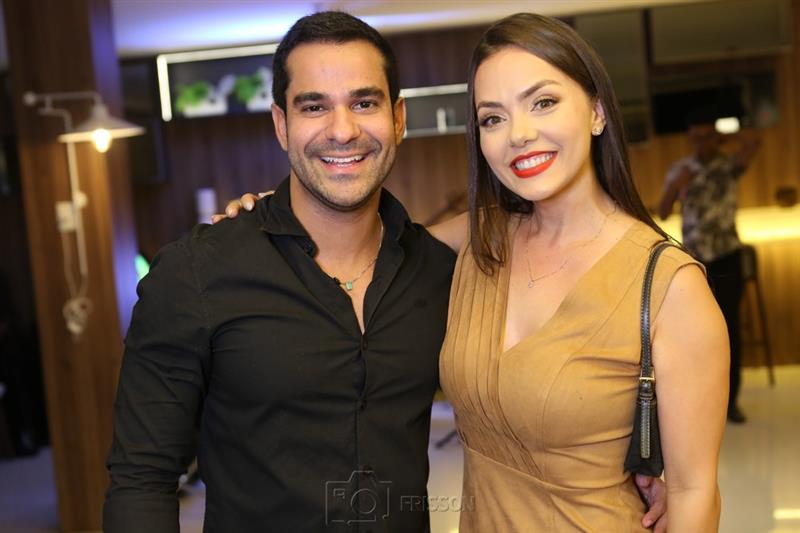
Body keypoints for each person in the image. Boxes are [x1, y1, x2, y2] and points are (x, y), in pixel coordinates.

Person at [149, 11, 668, 533]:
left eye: (364, 103)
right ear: (282, 125)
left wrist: (634, 472)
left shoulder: (445, 264)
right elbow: (142, 475)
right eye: (315, 106)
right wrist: (261, 221)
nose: (342, 130)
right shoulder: (203, 272)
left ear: (398, 119)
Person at [658, 111, 761, 424]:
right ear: (689, 139)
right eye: (695, 138)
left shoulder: (728, 165)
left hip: (728, 256)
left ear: (715, 137)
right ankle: (701, 401)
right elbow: (663, 212)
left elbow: (754, 141)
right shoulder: (681, 169)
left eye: (706, 137)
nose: (700, 143)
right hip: (694, 264)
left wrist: (725, 138)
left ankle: (731, 402)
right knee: (694, 333)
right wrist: (676, 186)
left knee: (729, 331)